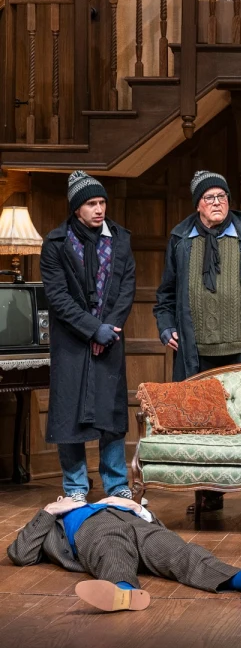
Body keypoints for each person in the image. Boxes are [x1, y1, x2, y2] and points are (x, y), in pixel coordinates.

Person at [154, 170, 241, 518]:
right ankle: (208, 494)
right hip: (197, 352)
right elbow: (165, 294)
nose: (218, 203)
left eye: (223, 197)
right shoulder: (181, 239)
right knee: (202, 423)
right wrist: (166, 327)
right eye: (210, 198)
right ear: (197, 204)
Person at [7, 495, 241, 612]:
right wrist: (49, 510)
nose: (69, 498)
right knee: (112, 549)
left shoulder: (108, 502)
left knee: (178, 552)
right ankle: (123, 591)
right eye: (63, 498)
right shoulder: (55, 520)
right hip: (93, 531)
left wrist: (138, 509)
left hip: (136, 524)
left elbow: (156, 526)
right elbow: (20, 554)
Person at [40, 171, 137, 503]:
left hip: (110, 337)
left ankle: (115, 483)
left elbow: (126, 288)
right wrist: (92, 328)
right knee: (70, 414)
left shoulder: (120, 239)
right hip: (71, 341)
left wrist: (108, 328)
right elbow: (58, 297)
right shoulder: (56, 243)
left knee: (109, 412)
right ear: (76, 208)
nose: (99, 209)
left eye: (102, 202)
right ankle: (76, 486)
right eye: (91, 203)